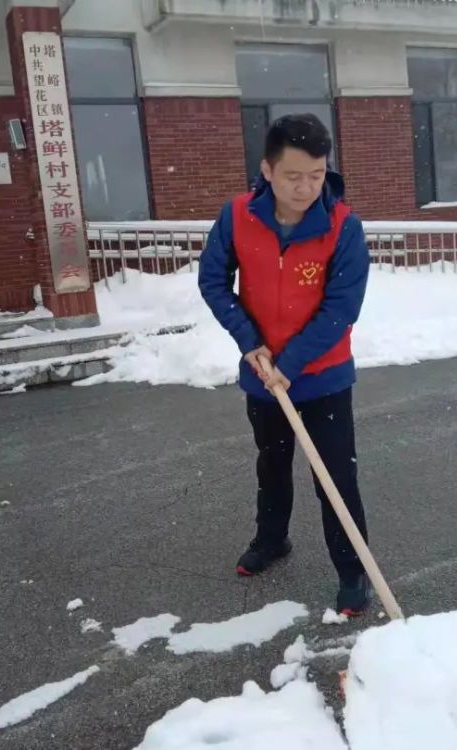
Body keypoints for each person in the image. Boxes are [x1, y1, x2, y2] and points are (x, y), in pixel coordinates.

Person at [198, 113, 372, 616]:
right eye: (294, 176)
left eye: (316, 175)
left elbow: (341, 308)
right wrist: (249, 343)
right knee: (272, 465)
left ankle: (352, 568)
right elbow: (214, 282)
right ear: (267, 170)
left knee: (336, 477)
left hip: (323, 378)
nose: (306, 187)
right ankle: (272, 539)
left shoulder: (342, 225)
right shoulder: (237, 216)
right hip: (262, 375)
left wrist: (291, 363)